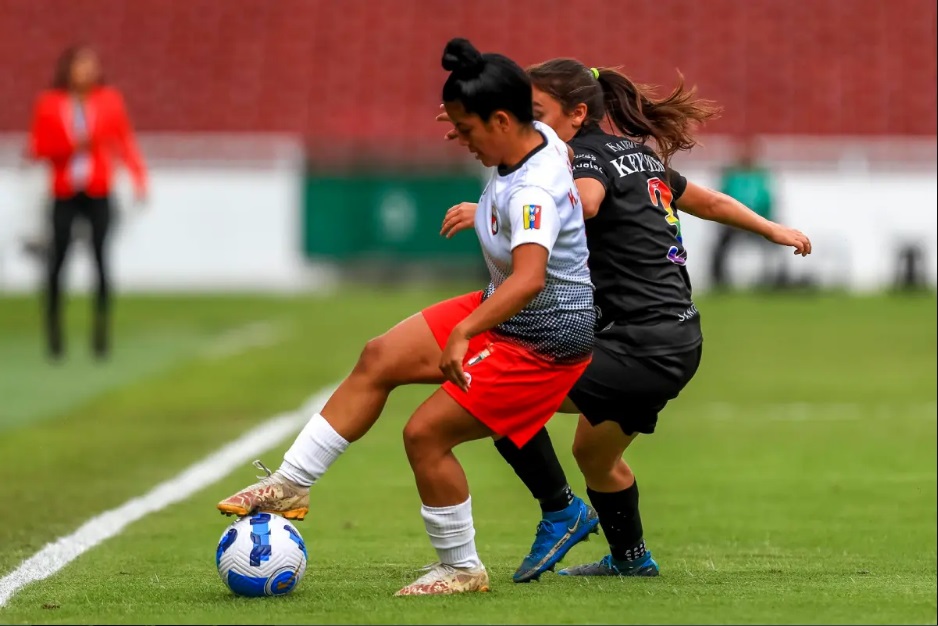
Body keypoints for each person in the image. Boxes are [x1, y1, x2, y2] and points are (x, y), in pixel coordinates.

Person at [218, 38, 597, 596]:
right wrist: (483, 200)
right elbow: (523, 160)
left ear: (501, 119)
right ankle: (291, 484)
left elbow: (530, 278)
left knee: (424, 435)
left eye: (467, 130)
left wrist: (466, 330)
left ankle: (462, 567)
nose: (462, 141)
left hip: (545, 338)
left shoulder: (532, 190)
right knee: (380, 356)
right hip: (509, 311)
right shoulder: (532, 138)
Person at [437, 58, 811, 581]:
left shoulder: (580, 157)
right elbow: (710, 201)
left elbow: (585, 204)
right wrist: (773, 229)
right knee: (595, 454)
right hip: (674, 337)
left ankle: (561, 512)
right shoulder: (635, 154)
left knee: (501, 394)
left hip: (641, 343)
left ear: (577, 114)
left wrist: (488, 210)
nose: (528, 120)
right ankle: (632, 561)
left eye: (537, 110)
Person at [26, 44, 147, 361]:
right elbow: (37, 147)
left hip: (97, 189)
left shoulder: (109, 101)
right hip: (64, 190)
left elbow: (125, 141)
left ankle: (101, 334)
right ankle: (54, 334)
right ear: (67, 69)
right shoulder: (49, 104)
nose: (85, 72)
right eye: (80, 66)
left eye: (90, 65)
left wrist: (138, 178)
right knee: (58, 260)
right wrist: (70, 145)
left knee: (100, 259)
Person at [709, 134, 783, 290]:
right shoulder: (730, 173)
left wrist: (765, 219)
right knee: (720, 247)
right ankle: (719, 281)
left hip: (758, 220)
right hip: (733, 221)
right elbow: (722, 196)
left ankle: (776, 280)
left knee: (776, 245)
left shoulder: (761, 174)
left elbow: (768, 199)